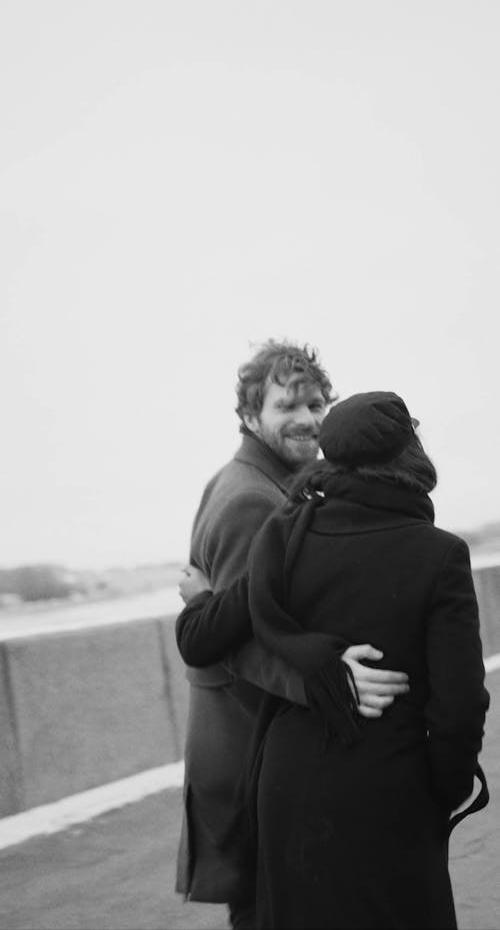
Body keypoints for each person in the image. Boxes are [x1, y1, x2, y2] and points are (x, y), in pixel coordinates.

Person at [179, 391, 490, 929]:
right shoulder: (440, 554)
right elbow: (460, 705)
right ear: (409, 457)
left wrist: (200, 599)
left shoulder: (285, 536)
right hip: (390, 787)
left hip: (286, 789)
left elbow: (205, 639)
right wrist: (444, 790)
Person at [175, 344, 411, 930]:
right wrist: (331, 681)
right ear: (252, 417)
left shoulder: (265, 483)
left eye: (315, 403)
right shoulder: (252, 501)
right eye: (287, 405)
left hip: (247, 744)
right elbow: (240, 639)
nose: (306, 418)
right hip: (246, 748)